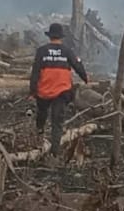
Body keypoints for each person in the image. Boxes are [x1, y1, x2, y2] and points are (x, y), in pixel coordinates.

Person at [30, 22, 88, 154]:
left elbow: (35, 72)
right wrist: (85, 78)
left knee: (42, 113)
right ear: (61, 37)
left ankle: (39, 135)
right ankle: (54, 153)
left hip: (43, 91)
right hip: (62, 92)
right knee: (57, 122)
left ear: (50, 36)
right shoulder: (67, 51)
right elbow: (78, 66)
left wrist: (33, 90)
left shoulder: (41, 51)